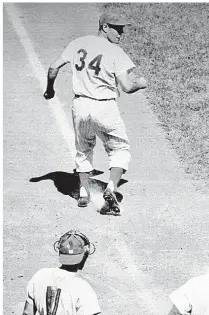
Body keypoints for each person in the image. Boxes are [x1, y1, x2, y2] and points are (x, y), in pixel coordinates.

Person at [43, 11, 147, 215]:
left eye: (122, 28)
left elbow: (53, 67)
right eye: (117, 28)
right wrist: (140, 84)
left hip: (80, 106)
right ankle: (111, 188)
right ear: (104, 27)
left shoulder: (77, 43)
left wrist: (50, 89)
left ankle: (83, 192)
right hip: (105, 107)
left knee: (83, 148)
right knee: (120, 149)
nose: (121, 33)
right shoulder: (115, 52)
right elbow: (126, 86)